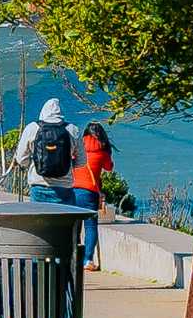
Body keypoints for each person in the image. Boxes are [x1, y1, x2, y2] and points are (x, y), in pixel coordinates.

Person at [15, 96, 102, 268]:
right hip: (64, 191)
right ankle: (64, 270)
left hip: (38, 188)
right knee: (65, 234)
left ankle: (39, 271)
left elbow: (21, 159)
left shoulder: (32, 128)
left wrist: (34, 164)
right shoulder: (73, 130)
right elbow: (81, 162)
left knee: (39, 232)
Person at [75, 122, 118, 270]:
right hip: (90, 192)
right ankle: (87, 260)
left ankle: (73, 257)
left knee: (74, 226)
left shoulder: (77, 148)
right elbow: (109, 167)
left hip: (73, 190)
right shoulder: (102, 151)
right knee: (90, 226)